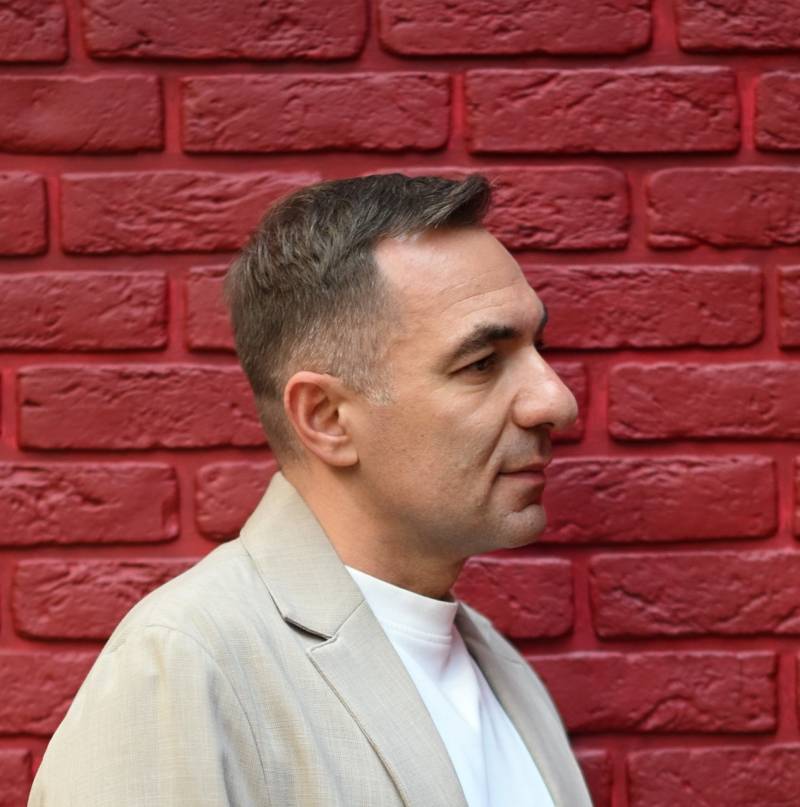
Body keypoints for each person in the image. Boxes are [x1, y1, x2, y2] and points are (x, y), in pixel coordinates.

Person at [28, 174, 591, 806]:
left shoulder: (499, 670)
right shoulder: (186, 665)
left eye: (538, 348)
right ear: (326, 418)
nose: (556, 401)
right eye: (481, 364)